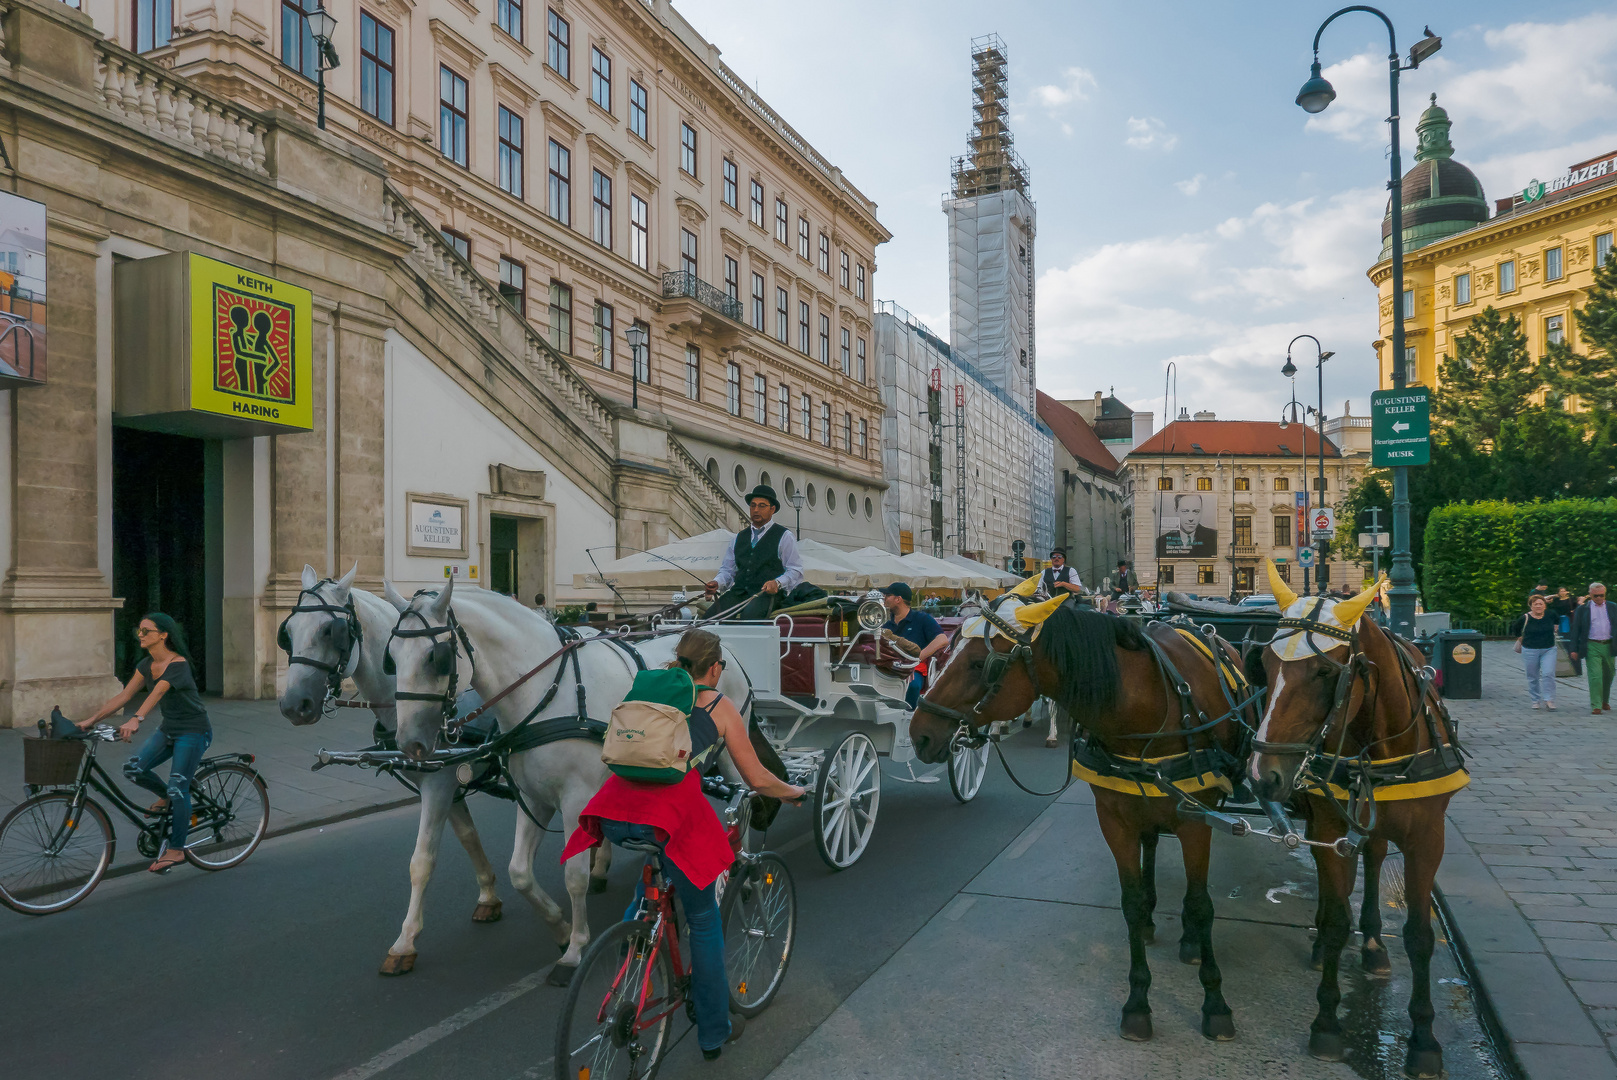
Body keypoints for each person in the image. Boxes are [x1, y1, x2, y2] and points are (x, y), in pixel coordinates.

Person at [560, 630, 806, 1060]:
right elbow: (757, 778)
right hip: (669, 819)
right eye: (721, 668)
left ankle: (635, 962)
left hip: (614, 811)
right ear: (714, 668)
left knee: (649, 894)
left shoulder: (649, 689)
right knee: (704, 921)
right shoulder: (717, 703)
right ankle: (714, 1031)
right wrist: (793, 792)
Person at [75, 613, 211, 873]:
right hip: (169, 730)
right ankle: (166, 797)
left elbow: (159, 691)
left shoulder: (178, 663)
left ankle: (176, 849)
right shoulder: (146, 664)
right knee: (134, 768)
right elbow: (125, 695)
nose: (140, 634)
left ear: (163, 635)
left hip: (193, 732)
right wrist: (90, 720)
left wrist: (137, 719)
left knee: (177, 788)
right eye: (139, 630)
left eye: (146, 631)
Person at [705, 485, 804, 621]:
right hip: (738, 593)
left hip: (767, 596)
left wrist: (777, 583)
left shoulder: (784, 536)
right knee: (708, 619)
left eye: (762, 506)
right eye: (753, 505)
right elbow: (727, 571)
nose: (756, 510)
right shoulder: (738, 538)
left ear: (772, 509)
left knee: (750, 618)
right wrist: (717, 582)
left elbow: (795, 570)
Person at [880, 582, 950, 708]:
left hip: (913, 668)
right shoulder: (886, 625)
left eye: (887, 595)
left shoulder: (921, 619)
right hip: (889, 666)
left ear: (898, 599)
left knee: (912, 685)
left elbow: (942, 639)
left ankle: (909, 716)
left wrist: (918, 658)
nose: (884, 598)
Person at [1569, 582, 1614, 714]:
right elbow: (1575, 629)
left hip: (1609, 645)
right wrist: (1573, 648)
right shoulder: (1583, 610)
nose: (1599, 598)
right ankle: (1596, 704)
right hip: (1591, 645)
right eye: (1596, 596)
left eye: (1602, 595)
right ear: (1590, 595)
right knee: (1595, 676)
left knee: (1609, 674)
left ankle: (1605, 700)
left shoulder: (1613, 607)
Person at [1510, 594, 1558, 711]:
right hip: (1530, 649)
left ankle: (1549, 699)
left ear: (1545, 606)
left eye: (1540, 604)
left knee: (1548, 673)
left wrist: (1555, 629)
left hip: (1548, 649)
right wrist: (1520, 638)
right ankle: (1535, 700)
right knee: (1533, 676)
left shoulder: (1551, 615)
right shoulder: (1525, 618)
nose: (1538, 606)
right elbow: (1515, 629)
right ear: (1530, 606)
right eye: (1535, 604)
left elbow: (1557, 623)